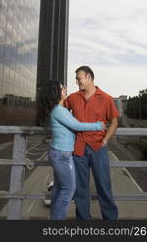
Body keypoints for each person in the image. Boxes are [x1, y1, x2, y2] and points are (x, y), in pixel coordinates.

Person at [40, 80, 105, 220]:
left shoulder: (59, 109)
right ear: (55, 92)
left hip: (59, 152)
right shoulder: (59, 110)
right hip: (62, 154)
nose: (65, 88)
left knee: (58, 189)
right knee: (69, 189)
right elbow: (77, 125)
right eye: (62, 87)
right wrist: (98, 125)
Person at [65, 66, 119, 220]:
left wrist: (106, 140)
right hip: (79, 149)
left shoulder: (106, 98)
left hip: (98, 148)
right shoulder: (74, 98)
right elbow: (62, 110)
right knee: (80, 190)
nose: (76, 81)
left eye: (78, 78)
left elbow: (114, 122)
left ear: (88, 77)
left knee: (104, 187)